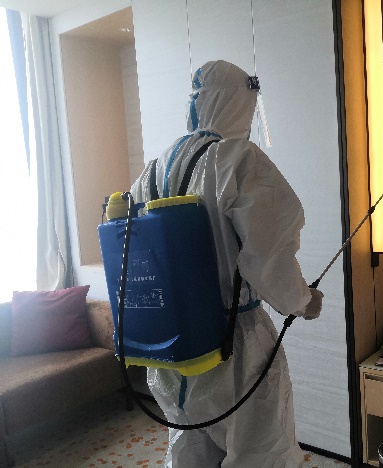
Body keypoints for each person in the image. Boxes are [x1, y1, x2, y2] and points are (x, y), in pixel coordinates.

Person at [130, 60, 323, 468]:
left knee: (188, 449)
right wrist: (302, 301)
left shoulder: (153, 170)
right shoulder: (237, 159)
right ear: (238, 104)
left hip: (173, 349)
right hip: (235, 345)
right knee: (259, 453)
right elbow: (269, 252)